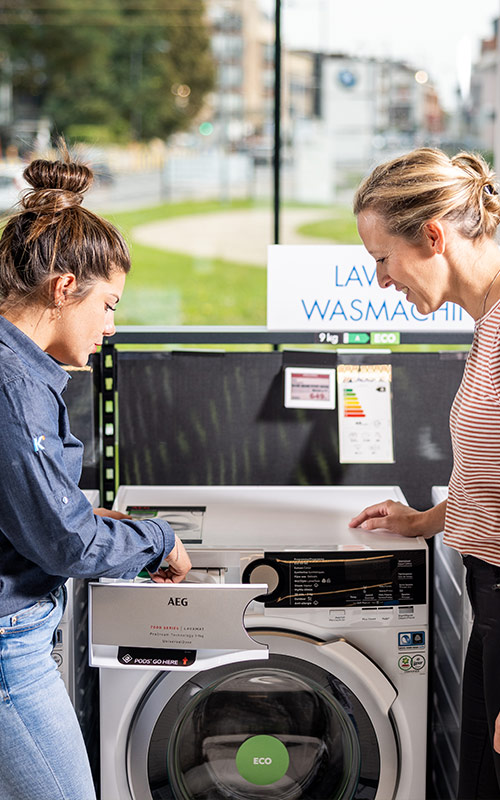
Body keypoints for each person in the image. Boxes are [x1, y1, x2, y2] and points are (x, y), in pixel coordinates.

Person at [0, 149, 191, 800]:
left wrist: (91, 518)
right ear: (62, 289)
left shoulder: (21, 372)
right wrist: (158, 538)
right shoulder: (12, 386)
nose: (111, 328)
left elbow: (31, 506)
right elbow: (64, 543)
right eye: (108, 305)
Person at [348, 146, 500, 799]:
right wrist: (428, 520)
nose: (381, 282)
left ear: (433, 236)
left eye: (382, 260)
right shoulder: (486, 322)